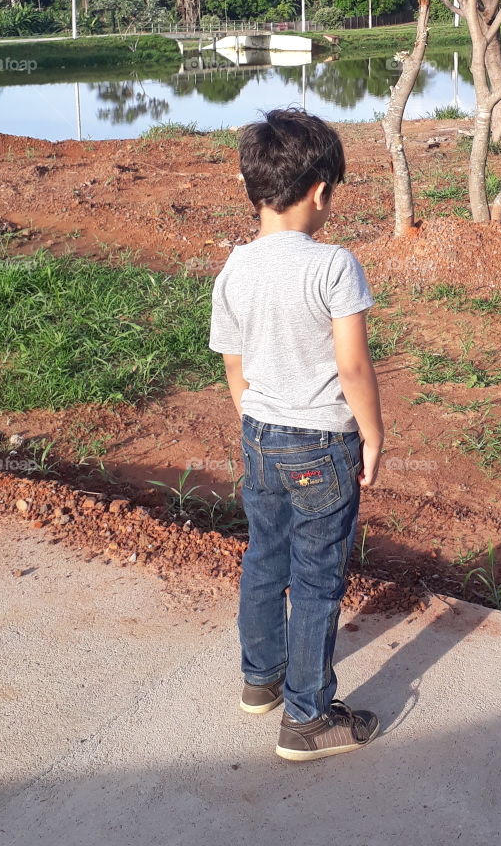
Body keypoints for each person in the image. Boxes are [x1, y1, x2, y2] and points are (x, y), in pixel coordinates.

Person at [209, 107, 384, 760]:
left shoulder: (234, 268)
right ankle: (308, 720)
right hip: (321, 444)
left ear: (248, 188)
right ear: (320, 191)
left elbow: (234, 365)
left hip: (259, 434)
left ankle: (262, 682)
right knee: (315, 579)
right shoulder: (334, 264)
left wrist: (256, 420)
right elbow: (353, 364)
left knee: (264, 557)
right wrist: (372, 433)